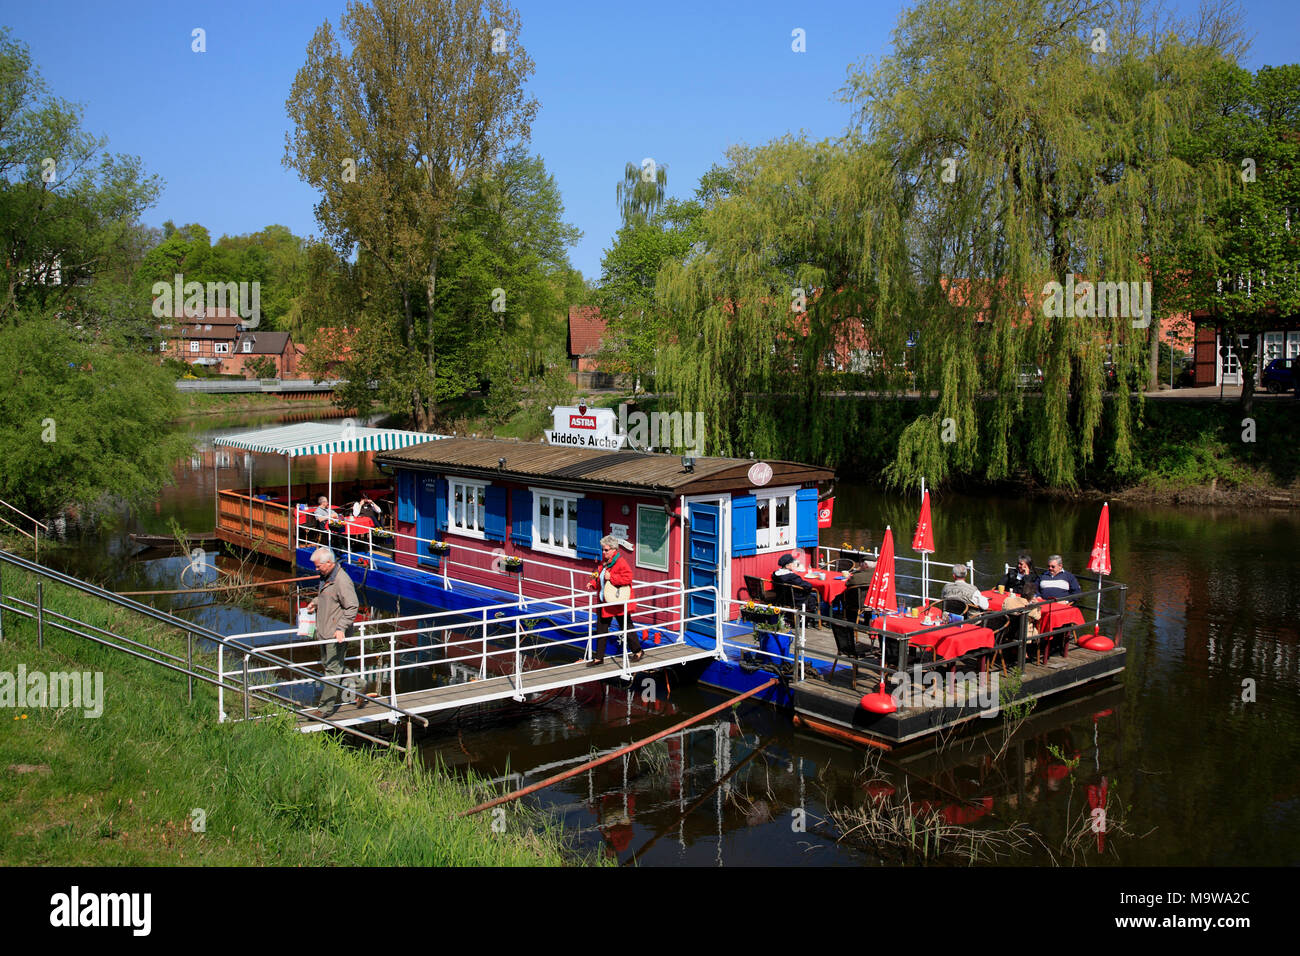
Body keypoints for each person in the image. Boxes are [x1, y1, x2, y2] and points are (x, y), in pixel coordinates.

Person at [305, 547, 359, 717]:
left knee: (332, 671)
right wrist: (315, 602)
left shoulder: (342, 581)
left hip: (335, 634)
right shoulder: (327, 577)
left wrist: (341, 628)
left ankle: (324, 709)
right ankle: (358, 684)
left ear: (329, 563)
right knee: (330, 666)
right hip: (324, 630)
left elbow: (352, 606)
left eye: (318, 566)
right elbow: (329, 597)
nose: (316, 569)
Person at [585, 535, 643, 666]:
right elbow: (600, 578)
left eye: (606, 550)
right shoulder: (604, 562)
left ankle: (638, 651)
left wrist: (612, 577)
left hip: (617, 602)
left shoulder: (620, 562)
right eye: (603, 550)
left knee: (626, 627)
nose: (603, 552)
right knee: (601, 629)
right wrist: (593, 584)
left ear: (613, 549)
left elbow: (628, 578)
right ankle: (599, 658)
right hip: (604, 602)